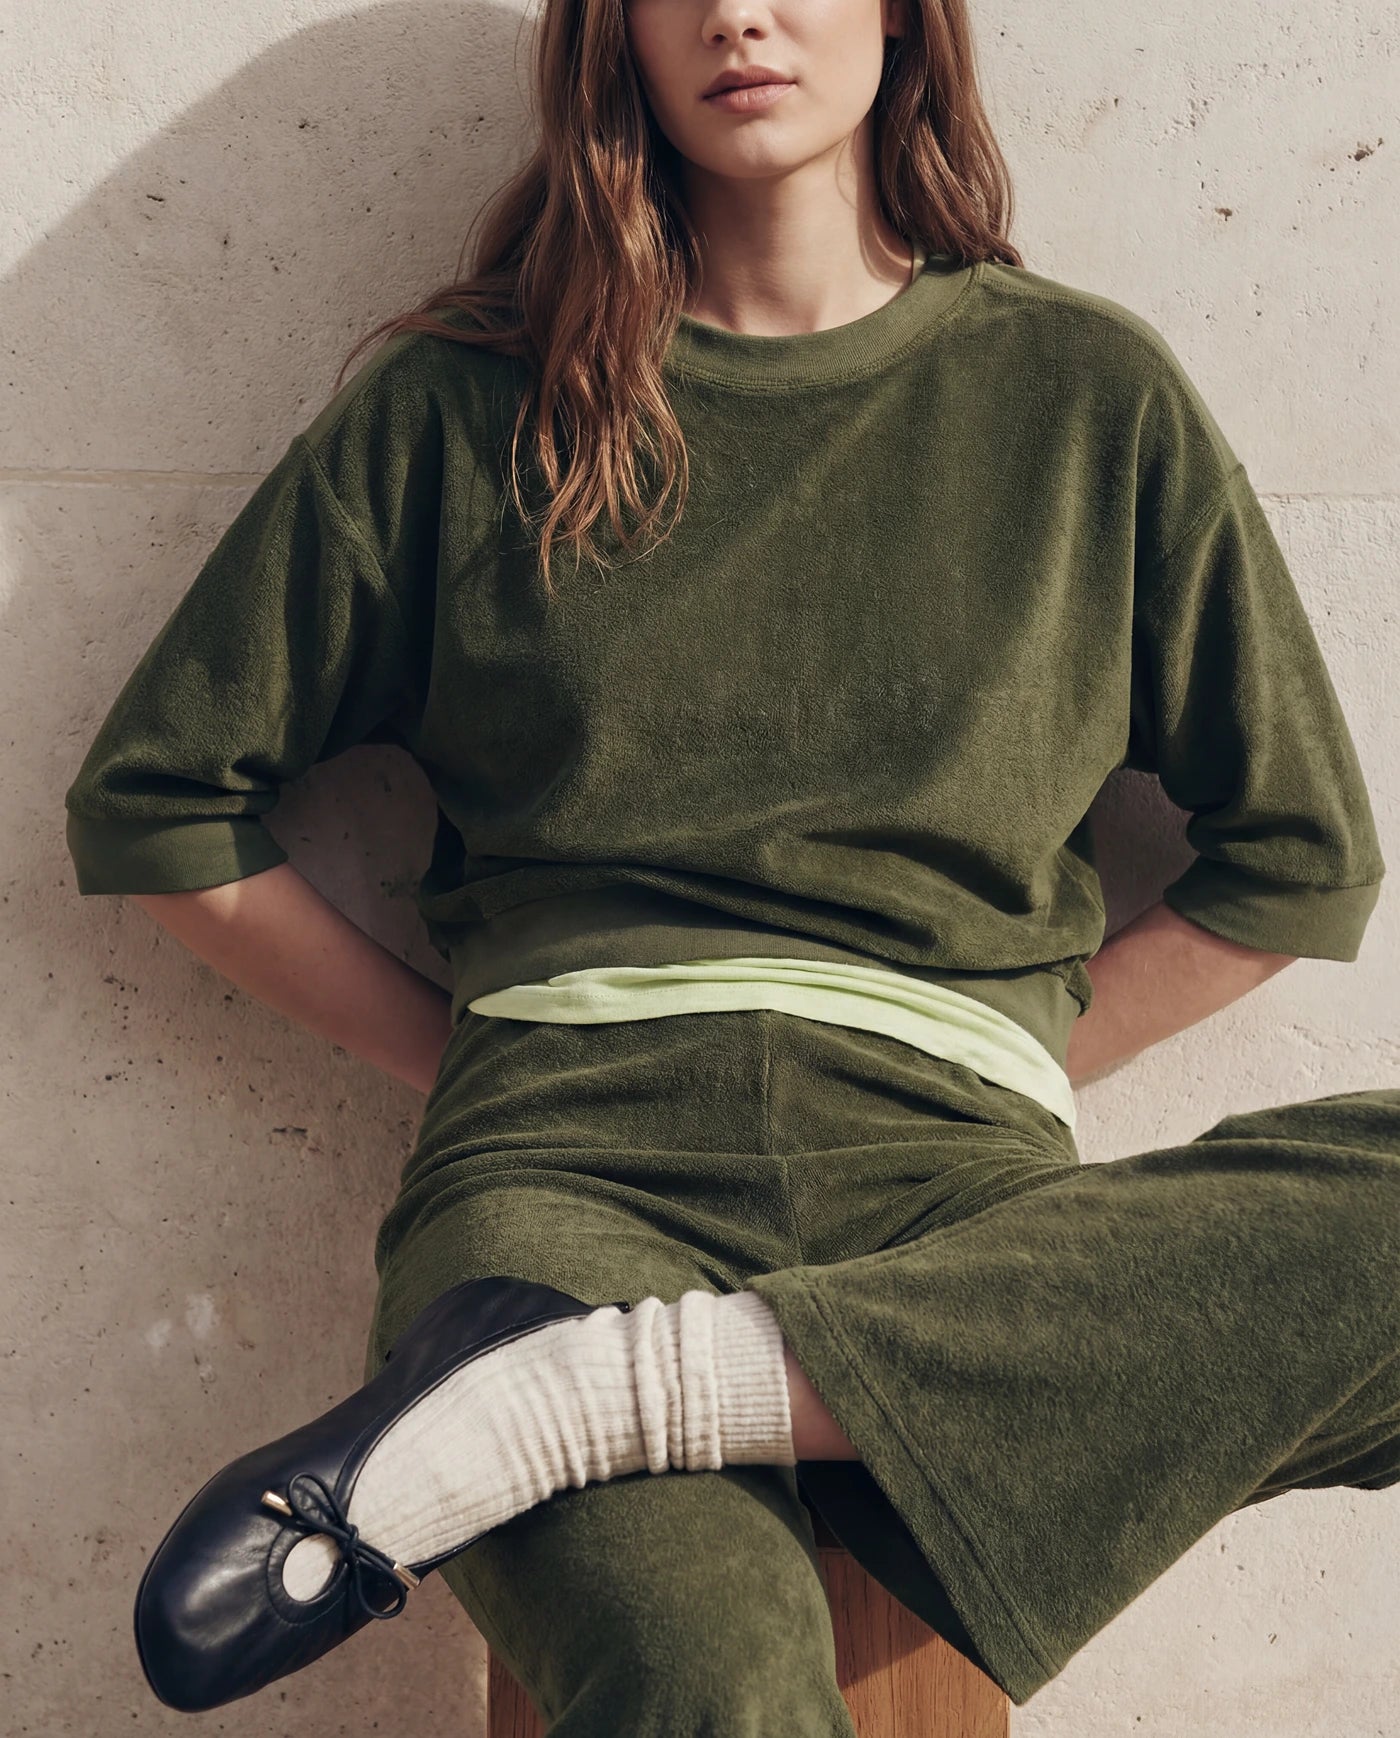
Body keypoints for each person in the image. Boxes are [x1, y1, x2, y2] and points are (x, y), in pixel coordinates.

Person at [63, 0, 1398, 1729]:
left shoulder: (1083, 395)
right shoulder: (468, 403)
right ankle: (570, 1374)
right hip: (566, 1189)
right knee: (712, 1682)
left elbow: (1300, 856)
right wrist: (464, 1058)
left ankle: (596, 1394)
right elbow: (160, 803)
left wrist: (996, 1048)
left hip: (954, 1208)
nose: (737, 13)